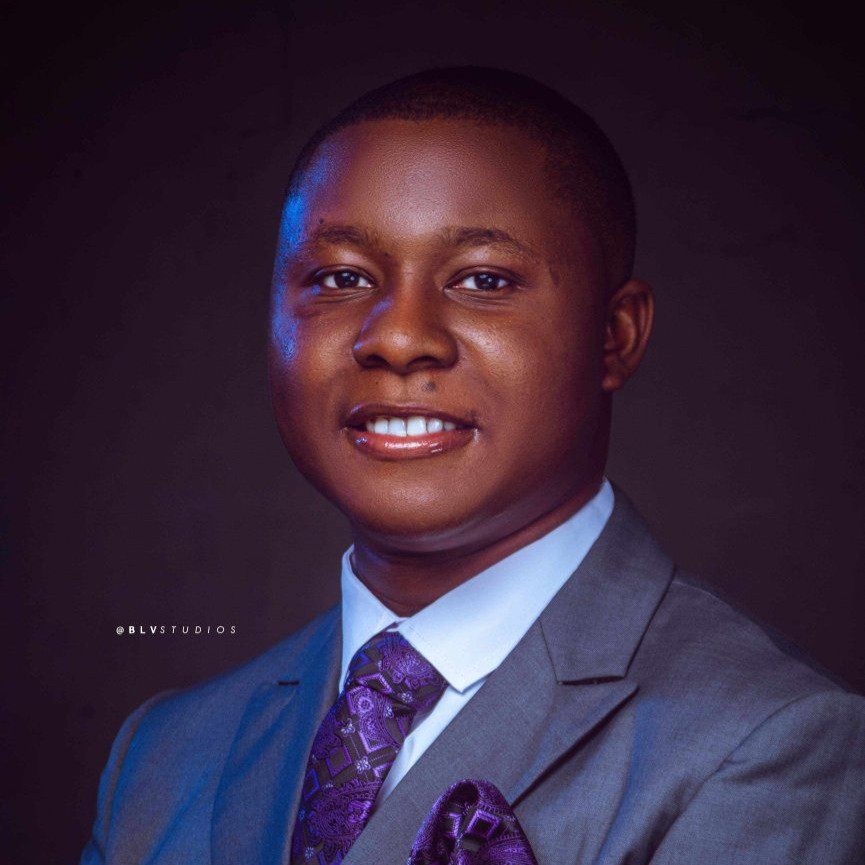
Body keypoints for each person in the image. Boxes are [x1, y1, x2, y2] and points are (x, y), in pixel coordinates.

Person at [80, 67, 865, 865]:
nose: (397, 337)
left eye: (483, 280)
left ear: (614, 336)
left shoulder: (765, 745)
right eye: (342, 278)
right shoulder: (164, 753)